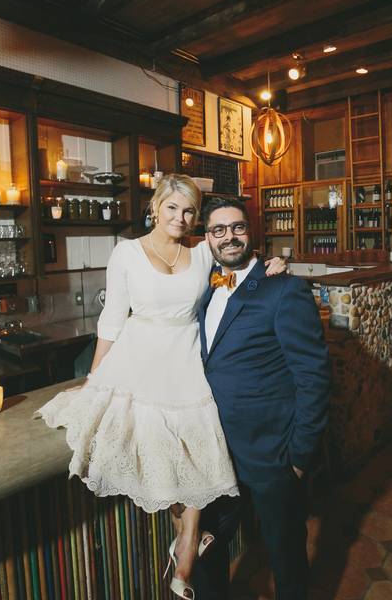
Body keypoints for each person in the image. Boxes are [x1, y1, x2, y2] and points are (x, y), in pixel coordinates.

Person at [35, 174, 286, 599]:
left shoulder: (203, 251)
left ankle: (186, 544)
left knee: (197, 447)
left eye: (189, 211)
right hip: (138, 357)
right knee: (155, 448)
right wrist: (95, 380)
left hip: (185, 358)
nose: (181, 217)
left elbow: (240, 261)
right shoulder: (126, 253)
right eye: (173, 207)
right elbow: (112, 321)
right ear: (155, 207)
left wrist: (273, 266)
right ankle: (190, 543)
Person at [193, 197, 330, 600]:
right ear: (207, 238)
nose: (229, 237)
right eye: (219, 230)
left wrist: (300, 456)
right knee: (209, 548)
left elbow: (314, 376)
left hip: (273, 452)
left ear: (250, 232)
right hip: (215, 448)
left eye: (237, 227)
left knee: (285, 556)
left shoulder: (283, 289)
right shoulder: (201, 288)